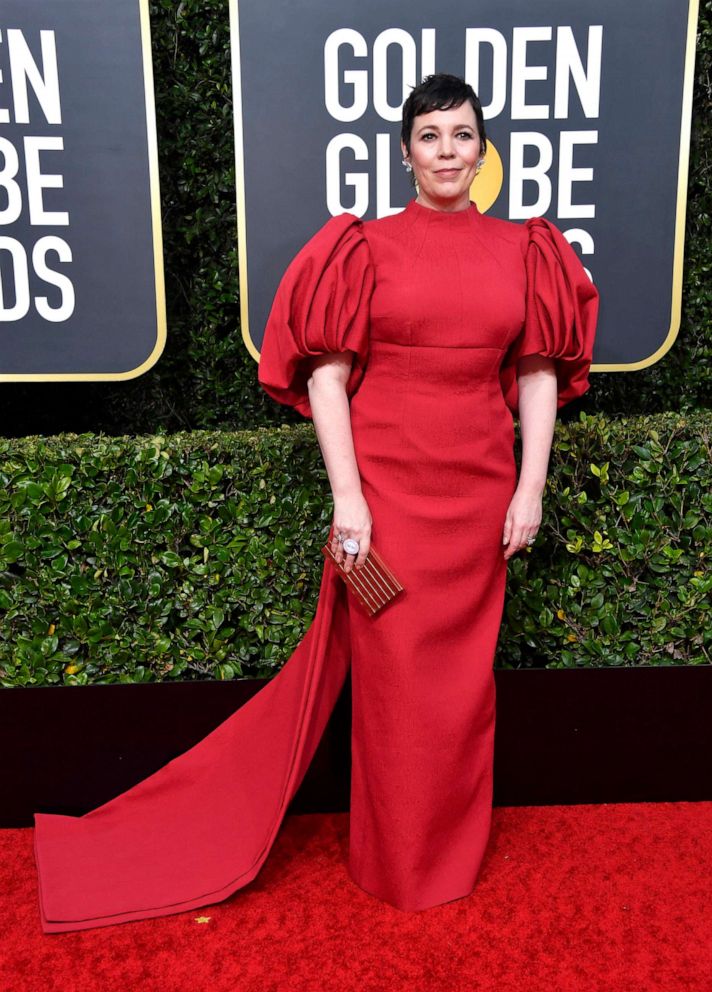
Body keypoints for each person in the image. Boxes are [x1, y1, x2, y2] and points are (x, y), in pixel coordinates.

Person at [32, 73, 599, 933]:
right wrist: (351, 501)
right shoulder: (361, 247)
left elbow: (537, 375)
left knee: (459, 693)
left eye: (463, 135)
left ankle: (447, 855)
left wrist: (530, 490)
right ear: (406, 154)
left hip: (480, 502)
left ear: (484, 151)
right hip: (390, 502)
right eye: (430, 136)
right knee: (396, 692)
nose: (448, 151)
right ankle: (394, 864)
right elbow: (327, 379)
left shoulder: (528, 251)